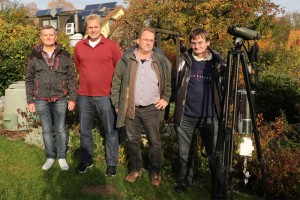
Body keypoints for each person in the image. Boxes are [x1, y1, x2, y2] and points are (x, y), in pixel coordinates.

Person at [111, 27, 172, 187]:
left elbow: (168, 81)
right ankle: (136, 168)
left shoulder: (160, 60)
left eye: (151, 40)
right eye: (145, 39)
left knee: (154, 142)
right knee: (132, 140)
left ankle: (155, 171)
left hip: (152, 108)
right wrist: (117, 105)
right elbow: (116, 82)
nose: (148, 43)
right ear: (138, 41)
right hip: (132, 107)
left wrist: (166, 98)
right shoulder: (126, 60)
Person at [173, 28, 225, 197]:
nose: (196, 46)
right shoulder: (185, 60)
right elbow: (177, 83)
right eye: (193, 43)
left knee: (214, 156)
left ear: (208, 43)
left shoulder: (217, 63)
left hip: (210, 117)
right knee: (184, 154)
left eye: (200, 42)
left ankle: (218, 189)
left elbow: (224, 89)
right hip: (186, 115)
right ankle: (184, 182)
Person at [74, 14, 122, 176]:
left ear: (100, 27)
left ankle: (112, 163)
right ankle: (86, 161)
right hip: (84, 95)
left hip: (106, 96)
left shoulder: (111, 45)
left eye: (96, 27)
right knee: (85, 130)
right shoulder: (79, 46)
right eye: (90, 27)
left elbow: (119, 68)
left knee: (110, 130)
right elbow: (79, 66)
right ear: (86, 29)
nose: (93, 30)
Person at [25, 25, 77, 171]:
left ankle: (61, 157)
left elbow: (72, 78)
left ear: (56, 37)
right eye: (45, 35)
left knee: (60, 129)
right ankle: (50, 156)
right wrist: (30, 100)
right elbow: (29, 79)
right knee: (47, 130)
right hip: (40, 99)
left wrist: (72, 98)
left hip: (60, 98)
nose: (48, 37)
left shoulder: (64, 55)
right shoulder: (34, 56)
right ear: (41, 38)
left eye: (51, 35)